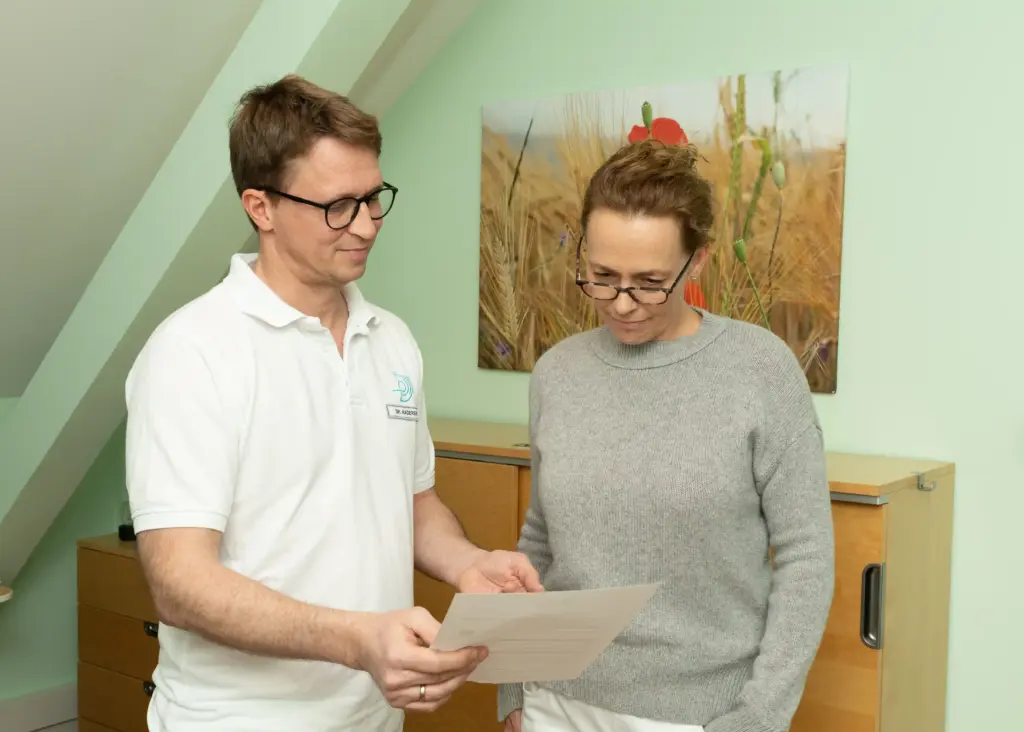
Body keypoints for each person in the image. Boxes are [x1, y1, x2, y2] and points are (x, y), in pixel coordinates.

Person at [125, 74, 542, 732]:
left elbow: (412, 503)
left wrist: (469, 563)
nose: (367, 225)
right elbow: (181, 584)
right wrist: (356, 640)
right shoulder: (192, 351)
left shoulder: (391, 340)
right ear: (261, 207)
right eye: (339, 206)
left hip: (372, 716)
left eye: (373, 197)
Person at [498, 139, 835, 732]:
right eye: (602, 277)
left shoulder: (761, 370)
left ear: (697, 261)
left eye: (650, 281)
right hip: (554, 703)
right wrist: (513, 685)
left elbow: (806, 557)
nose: (622, 304)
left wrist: (757, 720)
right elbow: (541, 541)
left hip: (701, 717)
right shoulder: (557, 373)